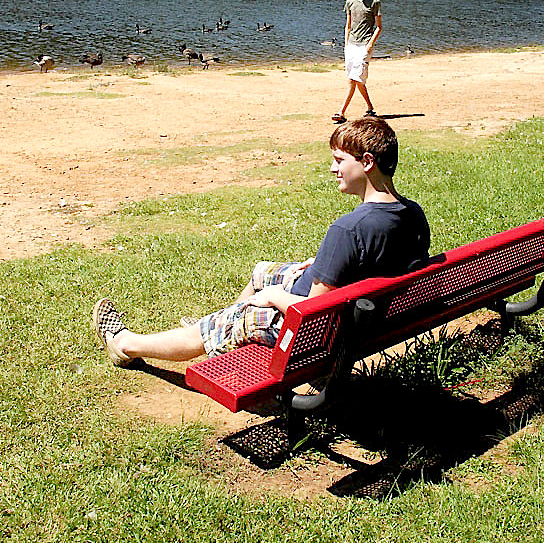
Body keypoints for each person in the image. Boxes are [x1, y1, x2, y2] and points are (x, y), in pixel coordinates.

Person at [92, 117, 430, 367]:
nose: (332, 169)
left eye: (340, 161)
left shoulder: (347, 230)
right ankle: (227, 328)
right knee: (262, 272)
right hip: (364, 321)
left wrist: (271, 296)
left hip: (314, 333)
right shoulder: (413, 214)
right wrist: (324, 266)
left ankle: (127, 344)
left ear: (367, 162)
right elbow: (385, 266)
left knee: (228, 318)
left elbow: (312, 312)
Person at [332, 0, 382, 124]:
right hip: (351, 46)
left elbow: (379, 27)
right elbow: (348, 25)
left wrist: (370, 45)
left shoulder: (375, 2)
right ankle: (370, 108)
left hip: (364, 45)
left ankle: (341, 112)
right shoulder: (350, 2)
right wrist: (346, 44)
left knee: (353, 79)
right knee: (357, 80)